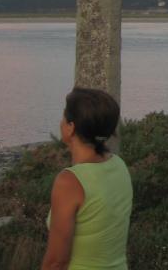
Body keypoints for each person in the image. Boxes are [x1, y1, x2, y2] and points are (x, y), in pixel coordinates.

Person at [42, 87, 133, 270]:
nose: (61, 123)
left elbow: (57, 262)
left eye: (64, 118)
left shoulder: (69, 182)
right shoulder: (119, 166)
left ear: (71, 127)